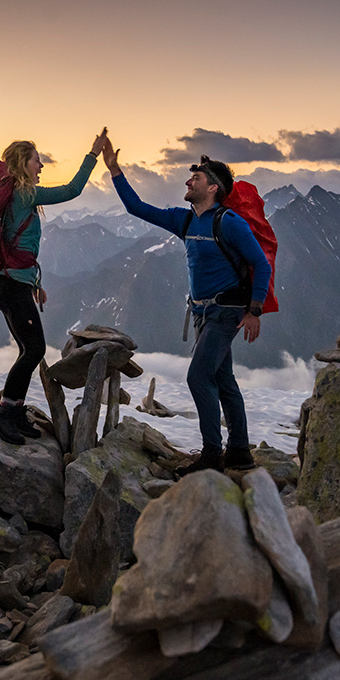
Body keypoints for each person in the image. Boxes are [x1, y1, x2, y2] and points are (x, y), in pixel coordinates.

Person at [101, 138, 271, 472]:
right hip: (202, 313)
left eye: (195, 177)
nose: (188, 181)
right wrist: (114, 170)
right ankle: (238, 451)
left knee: (198, 377)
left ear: (212, 187)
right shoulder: (186, 220)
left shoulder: (229, 223)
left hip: (226, 312)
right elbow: (138, 208)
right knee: (223, 379)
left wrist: (254, 310)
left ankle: (212, 457)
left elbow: (261, 263)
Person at [0, 129, 109, 444]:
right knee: (35, 349)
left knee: (28, 349)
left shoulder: (18, 196)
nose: (41, 167)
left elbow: (21, 245)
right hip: (10, 286)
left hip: (11, 283)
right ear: (23, 164)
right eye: (37, 161)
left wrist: (35, 283)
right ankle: (3, 415)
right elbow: (72, 190)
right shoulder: (25, 193)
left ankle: (13, 411)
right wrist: (92, 155)